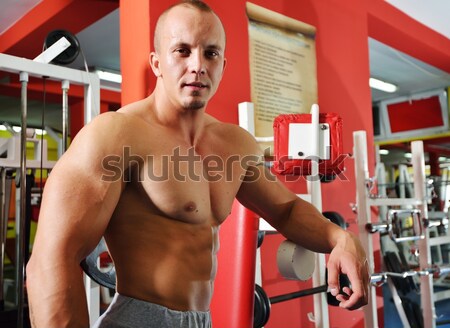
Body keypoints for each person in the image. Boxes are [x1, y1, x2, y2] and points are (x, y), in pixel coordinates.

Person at [26, 1, 370, 327]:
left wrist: (340, 239)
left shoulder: (235, 144)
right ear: (157, 62)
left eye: (211, 52)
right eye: (182, 50)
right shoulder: (116, 134)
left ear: (223, 64)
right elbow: (51, 260)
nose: (198, 65)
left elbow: (286, 210)